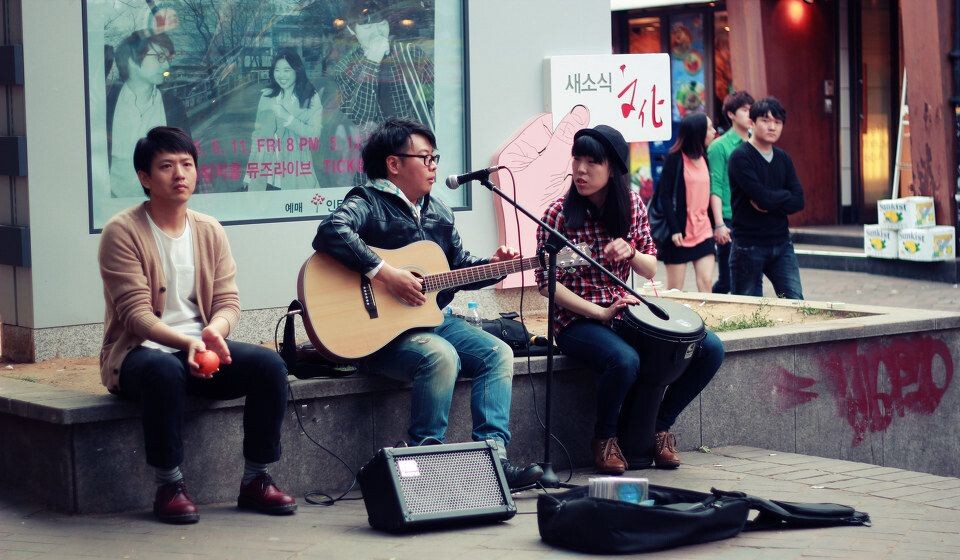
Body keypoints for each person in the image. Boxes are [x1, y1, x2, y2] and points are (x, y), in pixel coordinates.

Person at [312, 117, 543, 490]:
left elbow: (458, 270)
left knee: (498, 353)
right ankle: (423, 463)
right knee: (441, 356)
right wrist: (386, 274)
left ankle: (495, 459)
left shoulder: (439, 212)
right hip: (378, 334)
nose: (434, 166)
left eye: (435, 157)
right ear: (394, 163)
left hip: (430, 321)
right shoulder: (367, 201)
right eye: (426, 158)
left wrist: (495, 268)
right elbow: (331, 231)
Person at [98, 126, 296, 524]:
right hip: (140, 354)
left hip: (202, 348)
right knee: (164, 369)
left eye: (187, 164)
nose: (180, 174)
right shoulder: (122, 231)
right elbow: (136, 316)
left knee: (269, 366)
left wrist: (215, 331)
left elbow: (227, 301)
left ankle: (256, 479)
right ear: (144, 177)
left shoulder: (209, 229)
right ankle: (169, 484)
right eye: (167, 166)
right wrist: (185, 343)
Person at [535, 124, 723, 474]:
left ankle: (661, 426)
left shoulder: (632, 204)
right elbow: (548, 285)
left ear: (614, 169)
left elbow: (651, 268)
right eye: (577, 159)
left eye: (593, 162)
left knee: (710, 348)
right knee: (625, 360)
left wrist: (631, 252)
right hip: (575, 320)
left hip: (624, 311)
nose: (581, 170)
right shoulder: (557, 214)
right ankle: (605, 438)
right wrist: (600, 312)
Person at [728, 97, 805, 300]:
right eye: (765, 120)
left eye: (777, 122)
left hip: (782, 242)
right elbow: (763, 199)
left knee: (796, 303)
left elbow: (799, 200)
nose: (772, 127)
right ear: (752, 123)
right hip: (748, 245)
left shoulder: (783, 158)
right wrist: (780, 198)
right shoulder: (740, 157)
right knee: (748, 309)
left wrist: (771, 199)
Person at [107, 30, 190, 198]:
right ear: (132, 59)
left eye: (168, 59)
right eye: (159, 57)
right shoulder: (106, 104)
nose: (166, 65)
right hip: (112, 210)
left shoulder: (173, 106)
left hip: (161, 208)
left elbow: (186, 161)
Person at [333, 1, 435, 133]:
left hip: (415, 142)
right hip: (377, 147)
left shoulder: (411, 53)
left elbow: (436, 98)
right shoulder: (344, 67)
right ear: (352, 30)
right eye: (368, 28)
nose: (376, 32)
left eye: (381, 24)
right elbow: (361, 118)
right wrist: (372, 61)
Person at [652, 112, 718, 292]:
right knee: (676, 291)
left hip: (703, 230)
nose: (714, 131)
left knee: (706, 282)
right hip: (679, 234)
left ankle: (707, 320)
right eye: (710, 128)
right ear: (698, 132)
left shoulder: (705, 157)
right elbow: (664, 196)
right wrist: (674, 229)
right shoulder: (674, 158)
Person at [244, 49, 323, 191]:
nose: (281, 76)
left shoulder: (310, 97)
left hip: (295, 171)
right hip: (265, 173)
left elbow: (314, 135)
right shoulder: (267, 96)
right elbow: (257, 137)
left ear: (297, 71)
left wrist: (288, 118)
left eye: (287, 70)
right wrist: (250, 174)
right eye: (277, 70)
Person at [708, 91, 754, 293]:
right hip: (729, 218)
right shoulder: (719, 146)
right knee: (728, 279)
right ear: (731, 114)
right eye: (744, 110)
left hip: (753, 217)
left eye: (752, 110)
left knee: (751, 275)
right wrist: (719, 224)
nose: (749, 114)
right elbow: (715, 186)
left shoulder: (757, 143)